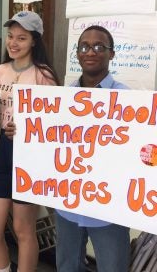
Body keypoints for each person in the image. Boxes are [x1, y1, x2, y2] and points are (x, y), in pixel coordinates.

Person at [0, 11, 59, 272]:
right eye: (11, 36)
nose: (13, 43)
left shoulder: (44, 75)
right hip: (2, 152)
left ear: (34, 41)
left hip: (30, 156)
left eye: (21, 38)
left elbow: (53, 122)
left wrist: (25, 130)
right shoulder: (1, 70)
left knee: (23, 230)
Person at [55, 25, 130, 272]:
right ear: (77, 54)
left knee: (113, 267)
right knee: (67, 267)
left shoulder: (128, 100)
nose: (91, 52)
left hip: (109, 208)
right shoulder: (61, 98)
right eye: (84, 46)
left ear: (112, 54)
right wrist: (19, 133)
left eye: (99, 47)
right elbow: (46, 140)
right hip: (67, 205)